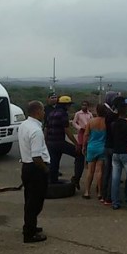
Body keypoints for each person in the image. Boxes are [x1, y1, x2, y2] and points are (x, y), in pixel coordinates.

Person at [18, 101, 49, 243]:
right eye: (42, 111)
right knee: (35, 202)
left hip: (26, 167)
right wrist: (45, 169)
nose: (44, 113)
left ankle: (30, 226)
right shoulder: (36, 131)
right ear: (37, 112)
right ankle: (29, 234)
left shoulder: (24, 125)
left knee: (29, 200)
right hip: (35, 169)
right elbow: (36, 157)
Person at [45, 96, 82, 186]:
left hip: (50, 142)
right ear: (65, 105)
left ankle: (53, 182)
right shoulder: (63, 114)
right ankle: (76, 179)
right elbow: (67, 130)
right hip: (59, 142)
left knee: (54, 162)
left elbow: (46, 128)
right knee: (80, 155)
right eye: (69, 105)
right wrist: (76, 143)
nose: (69, 107)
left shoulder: (51, 113)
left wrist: (45, 141)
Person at [82, 104, 107, 199]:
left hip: (92, 147)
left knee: (90, 170)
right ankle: (100, 193)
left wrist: (84, 146)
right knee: (99, 171)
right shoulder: (106, 122)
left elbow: (86, 135)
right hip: (102, 147)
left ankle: (87, 192)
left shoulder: (91, 122)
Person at [72, 100, 93, 183]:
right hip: (81, 131)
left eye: (86, 105)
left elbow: (92, 121)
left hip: (88, 131)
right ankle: (81, 160)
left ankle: (87, 161)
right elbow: (74, 123)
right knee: (81, 145)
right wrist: (79, 128)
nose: (84, 106)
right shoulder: (78, 114)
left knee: (88, 145)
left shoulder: (90, 114)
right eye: (83, 105)